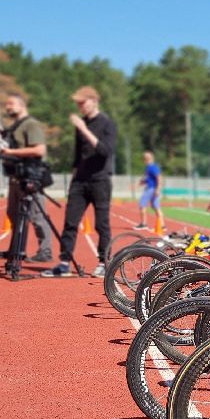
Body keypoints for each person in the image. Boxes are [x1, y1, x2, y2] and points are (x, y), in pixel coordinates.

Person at [45, 86, 117, 277]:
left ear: (94, 100)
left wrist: (84, 129)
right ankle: (63, 262)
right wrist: (73, 178)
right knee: (70, 222)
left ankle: (104, 261)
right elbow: (78, 156)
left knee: (101, 224)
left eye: (82, 103)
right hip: (80, 181)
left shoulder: (106, 124)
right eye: (77, 104)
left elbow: (105, 151)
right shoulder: (80, 125)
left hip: (100, 180)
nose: (79, 107)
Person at [0, 93, 52, 262]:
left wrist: (10, 152)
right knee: (13, 214)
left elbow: (39, 150)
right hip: (16, 177)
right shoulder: (15, 127)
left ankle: (45, 251)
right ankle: (16, 249)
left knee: (36, 215)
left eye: (11, 104)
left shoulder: (31, 124)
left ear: (21, 105)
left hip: (31, 177)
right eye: (7, 104)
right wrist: (3, 134)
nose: (7, 107)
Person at [136, 150, 162, 230]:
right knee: (155, 206)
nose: (143, 160)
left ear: (147, 159)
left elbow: (158, 177)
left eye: (144, 158)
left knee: (142, 204)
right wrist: (139, 183)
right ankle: (162, 225)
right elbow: (148, 179)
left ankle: (143, 224)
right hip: (152, 188)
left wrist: (157, 189)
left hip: (151, 189)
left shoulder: (152, 167)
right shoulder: (148, 168)